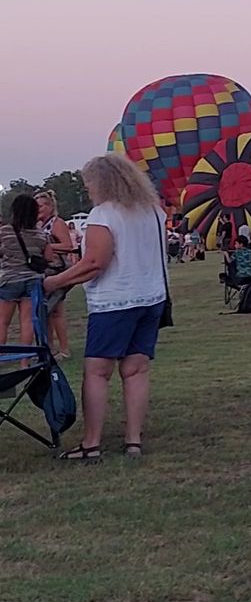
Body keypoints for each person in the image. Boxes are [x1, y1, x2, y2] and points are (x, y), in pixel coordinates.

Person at [42, 154, 167, 463]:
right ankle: (133, 440)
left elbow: (95, 262)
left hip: (115, 301)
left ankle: (92, 443)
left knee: (97, 372)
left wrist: (55, 281)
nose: (87, 190)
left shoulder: (104, 214)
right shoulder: (154, 212)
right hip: (151, 298)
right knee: (136, 369)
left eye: (88, 184)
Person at [0, 194, 55, 347]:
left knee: (3, 322)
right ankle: (25, 360)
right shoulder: (40, 234)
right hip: (33, 279)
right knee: (27, 321)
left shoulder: (5, 231)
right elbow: (49, 257)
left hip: (10, 278)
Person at [35, 190, 74, 358]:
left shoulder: (57, 223)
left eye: (41, 206)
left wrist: (48, 247)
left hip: (58, 271)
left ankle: (64, 349)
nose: (38, 209)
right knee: (46, 311)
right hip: (44, 272)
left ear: (50, 207)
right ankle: (48, 347)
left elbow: (68, 245)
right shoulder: (37, 225)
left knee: (56, 310)